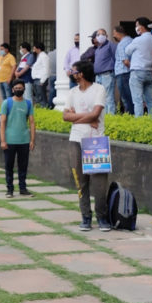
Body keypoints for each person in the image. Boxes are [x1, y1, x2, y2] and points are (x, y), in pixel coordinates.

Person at [62, 60, 110, 232]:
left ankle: (102, 217)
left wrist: (79, 117)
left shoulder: (99, 89)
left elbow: (96, 113)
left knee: (99, 183)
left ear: (81, 73)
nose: (71, 73)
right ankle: (86, 217)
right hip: (76, 140)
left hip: (96, 141)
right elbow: (65, 117)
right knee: (81, 182)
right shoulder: (72, 92)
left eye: (73, 71)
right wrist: (88, 118)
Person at [0, 79, 35, 198]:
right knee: (9, 166)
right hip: (9, 140)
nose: (19, 90)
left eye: (21, 88)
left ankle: (23, 188)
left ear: (24, 89)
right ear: (13, 89)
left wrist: (32, 140)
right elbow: (2, 123)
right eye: (16, 88)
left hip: (24, 140)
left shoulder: (28, 103)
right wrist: (3, 140)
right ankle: (9, 189)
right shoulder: (7, 103)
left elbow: (32, 123)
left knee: (23, 166)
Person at [125, 17, 152, 117]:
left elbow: (127, 51)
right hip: (150, 71)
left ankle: (139, 121)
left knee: (137, 99)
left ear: (142, 27)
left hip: (137, 71)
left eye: (137, 26)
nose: (136, 28)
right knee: (150, 99)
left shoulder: (138, 40)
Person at [93, 29, 117, 114]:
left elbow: (116, 58)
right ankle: (103, 116)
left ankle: (111, 116)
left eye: (103, 34)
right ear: (96, 37)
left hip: (107, 74)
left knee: (108, 97)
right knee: (100, 97)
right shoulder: (98, 49)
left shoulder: (111, 45)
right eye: (98, 34)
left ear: (106, 36)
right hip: (98, 75)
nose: (101, 36)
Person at [112, 26, 134, 114]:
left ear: (118, 33)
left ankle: (129, 116)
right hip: (129, 72)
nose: (113, 36)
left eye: (114, 33)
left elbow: (125, 61)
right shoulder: (132, 40)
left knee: (126, 97)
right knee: (131, 96)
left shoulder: (121, 44)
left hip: (122, 72)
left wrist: (132, 67)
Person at [31, 42, 50, 107]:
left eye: (34, 49)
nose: (33, 50)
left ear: (38, 49)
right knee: (38, 97)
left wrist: (42, 80)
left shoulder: (44, 56)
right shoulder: (39, 56)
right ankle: (40, 108)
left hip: (40, 79)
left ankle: (44, 108)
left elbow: (46, 69)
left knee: (42, 96)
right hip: (36, 79)